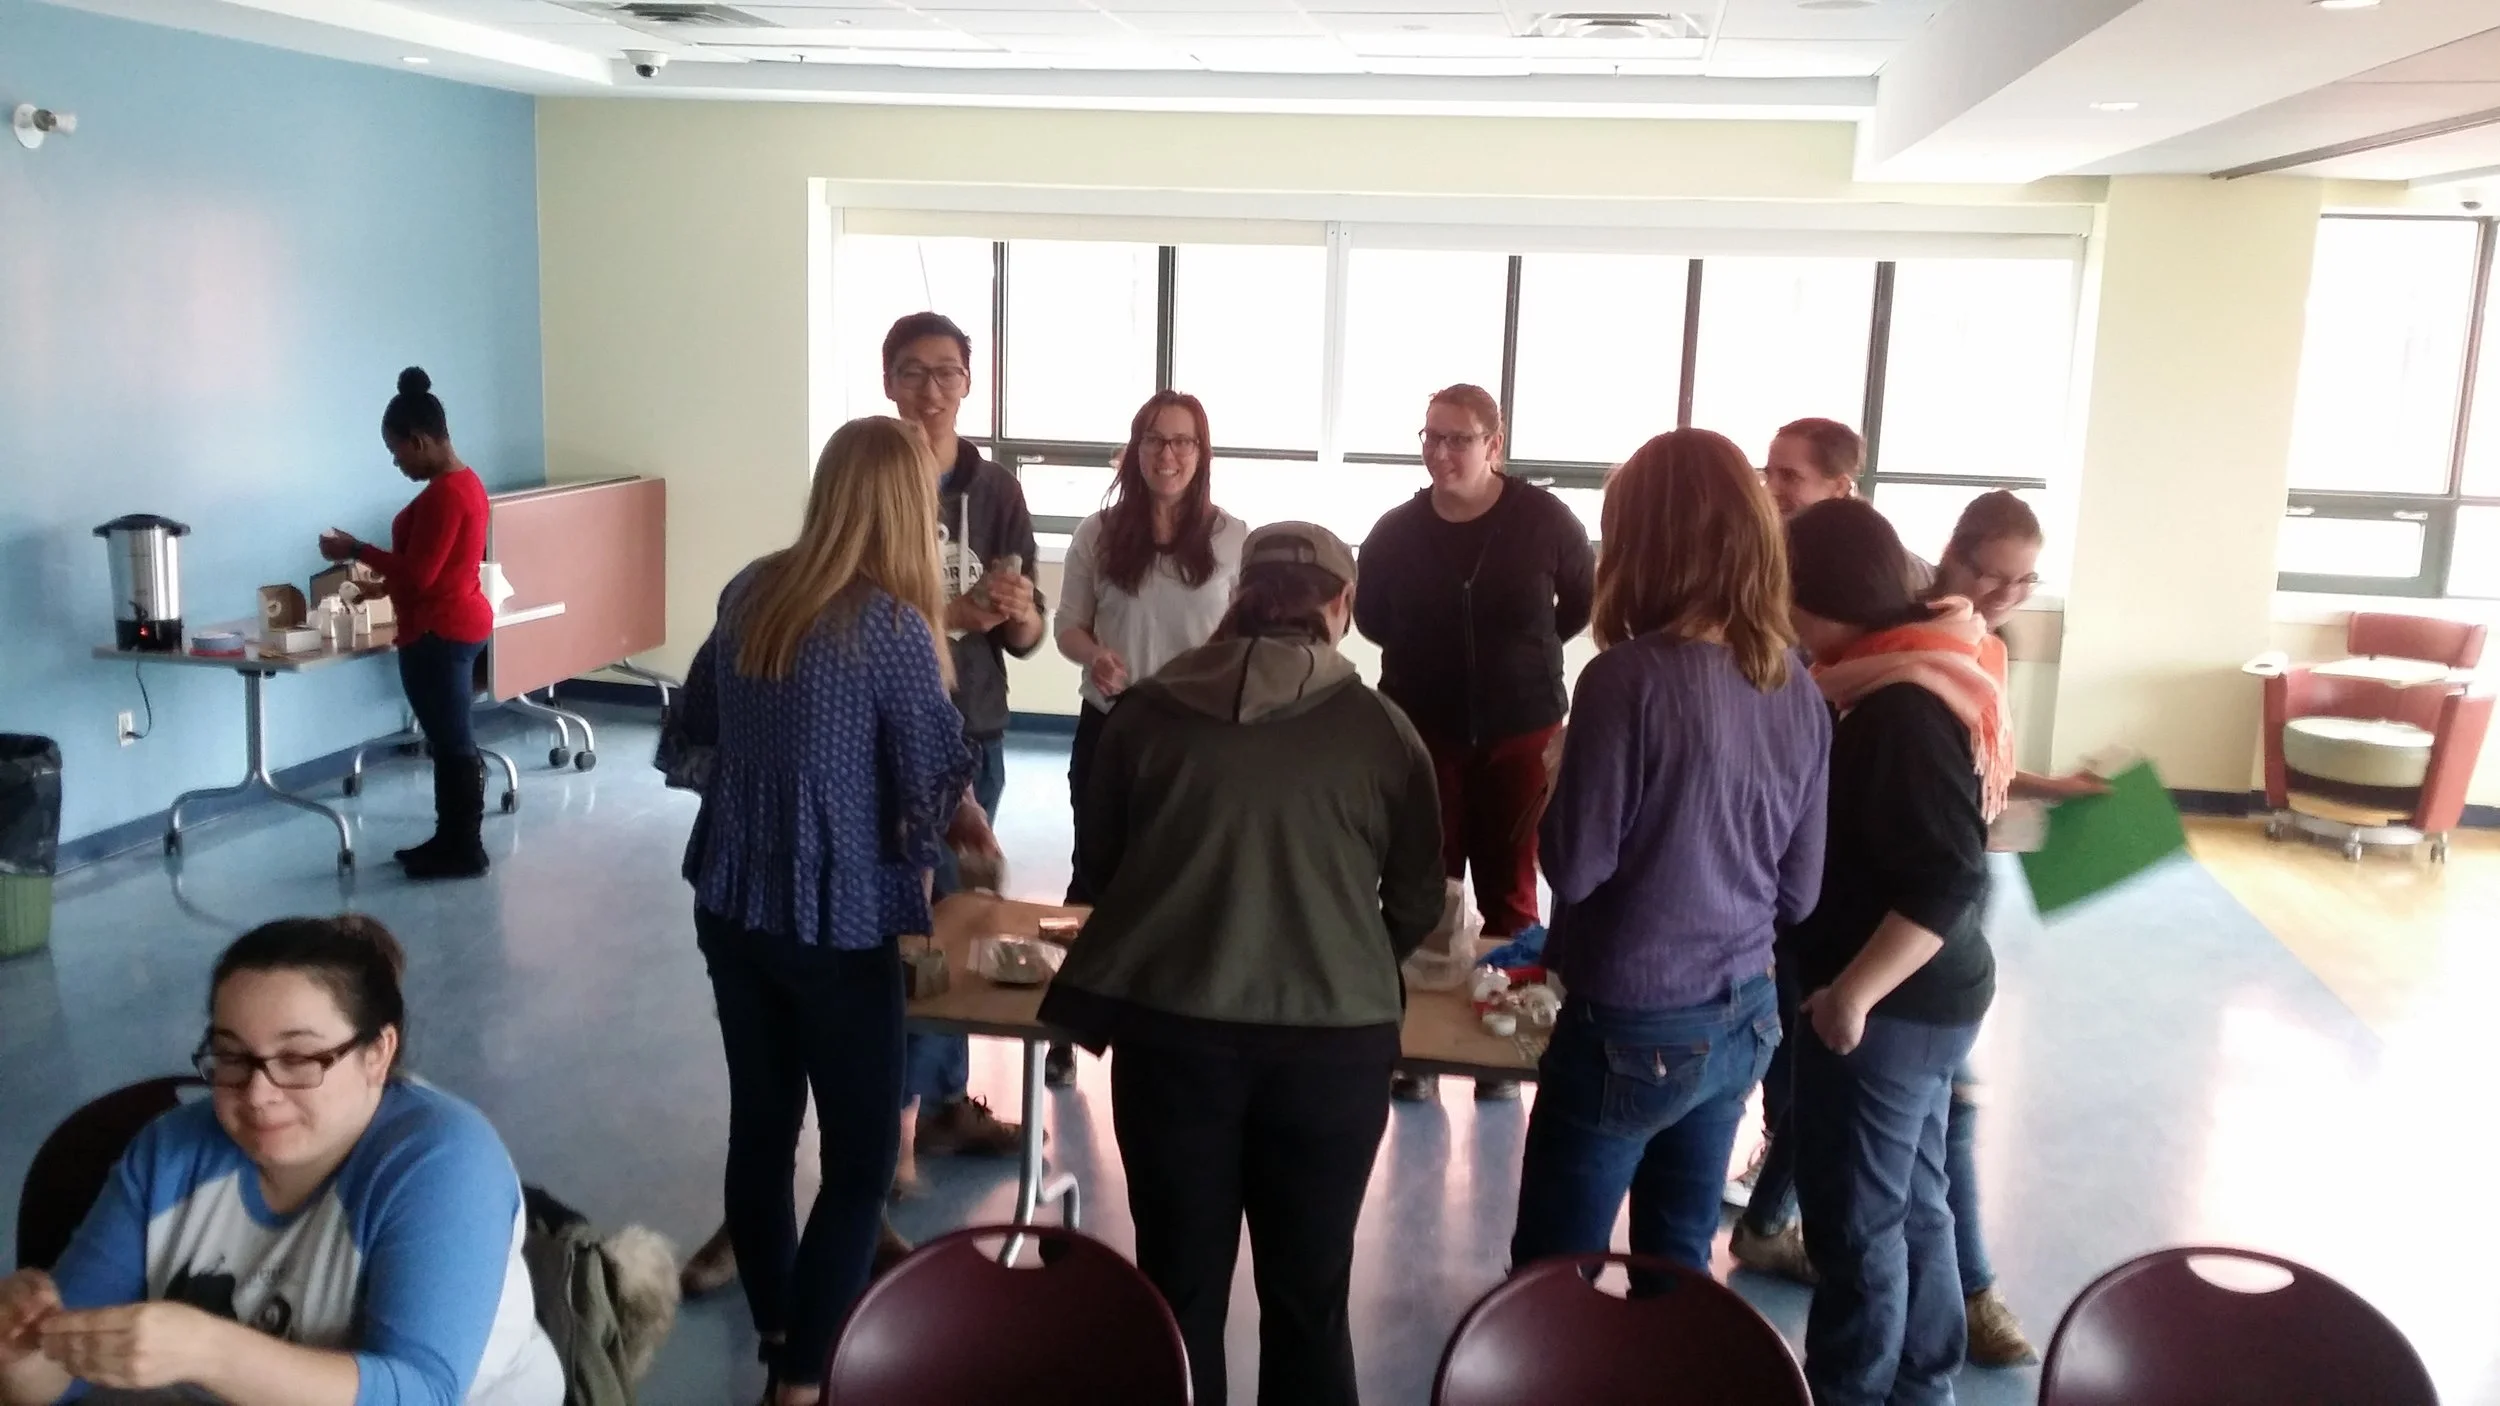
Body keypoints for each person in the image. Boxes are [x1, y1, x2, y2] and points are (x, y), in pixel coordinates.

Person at [1039, 522, 1444, 1406]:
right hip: (1336, 1047)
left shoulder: (1146, 712)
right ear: (1343, 607)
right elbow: (1418, 901)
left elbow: (1101, 874)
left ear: (1236, 598)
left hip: (1173, 1038)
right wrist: (1340, 954)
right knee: (1310, 1301)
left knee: (1178, 1296)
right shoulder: (1382, 731)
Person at [674, 416, 978, 1406]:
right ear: (903, 508)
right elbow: (932, 772)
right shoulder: (889, 628)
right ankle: (805, 1379)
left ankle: (775, 1334)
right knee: (858, 1158)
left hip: (732, 901)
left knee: (760, 1131)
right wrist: (953, 820)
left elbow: (694, 729)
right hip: (837, 924)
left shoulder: (750, 589)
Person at [0, 914, 561, 1405]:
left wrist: (209, 1350)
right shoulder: (168, 1152)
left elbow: (420, 1391)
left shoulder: (442, 1161)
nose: (257, 1093)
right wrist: (19, 1354)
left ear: (377, 1054)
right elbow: (58, 1375)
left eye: (298, 1058)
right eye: (231, 1056)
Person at [1506, 429, 1831, 1276]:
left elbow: (1574, 868)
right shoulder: (1795, 681)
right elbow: (1799, 895)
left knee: (1553, 1275)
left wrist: (1559, 771)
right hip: (1746, 1016)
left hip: (1631, 1024)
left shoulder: (1625, 680)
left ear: (1641, 545)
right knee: (1677, 1264)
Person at [1780, 497, 2011, 1406]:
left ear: (1809, 593)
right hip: (1925, 997)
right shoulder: (1886, 670)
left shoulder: (1899, 705)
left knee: (1856, 1220)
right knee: (1914, 1201)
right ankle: (1922, 1381)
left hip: (1891, 1003)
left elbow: (1945, 879)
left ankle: (1853, 1391)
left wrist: (1850, 996)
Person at [1355, 384, 1595, 1103]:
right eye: (1431, 437)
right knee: (1426, 891)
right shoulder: (1396, 529)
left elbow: (1575, 608)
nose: (1442, 453)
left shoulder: (1547, 521)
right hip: (1422, 731)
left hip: (1521, 731)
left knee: (1512, 891)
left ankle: (1503, 1040)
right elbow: (1371, 618)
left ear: (1496, 444)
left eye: (1459, 439)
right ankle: (1420, 1051)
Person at [1049, 391, 1248, 1086]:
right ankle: (1067, 1026)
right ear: (1136, 451)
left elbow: (1244, 638)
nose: (1170, 455)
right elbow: (1066, 627)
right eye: (1157, 441)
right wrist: (1093, 655)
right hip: (1112, 725)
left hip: (1199, 734)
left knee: (1192, 874)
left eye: (1185, 442)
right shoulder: (1097, 534)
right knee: (1095, 870)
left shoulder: (1232, 538)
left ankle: (1185, 1018)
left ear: (1202, 453)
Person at [886, 311, 1038, 1160]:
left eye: (947, 373)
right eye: (914, 372)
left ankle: (939, 1099)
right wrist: (948, 615)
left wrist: (1013, 617)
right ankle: (905, 1111)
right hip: (894, 730)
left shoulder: (997, 489)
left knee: (961, 918)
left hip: (975, 724)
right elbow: (853, 606)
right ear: (887, 382)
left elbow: (1022, 634)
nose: (932, 390)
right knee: (916, 923)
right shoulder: (869, 477)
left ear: (969, 384)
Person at [318, 367, 495, 880]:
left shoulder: (444, 494)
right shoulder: (468, 483)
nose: (396, 463)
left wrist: (355, 549)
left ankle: (463, 848)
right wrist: (381, 583)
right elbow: (434, 568)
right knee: (450, 740)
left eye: (397, 452)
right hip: (455, 619)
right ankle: (452, 840)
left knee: (452, 742)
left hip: (438, 632)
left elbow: (420, 574)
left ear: (418, 441)